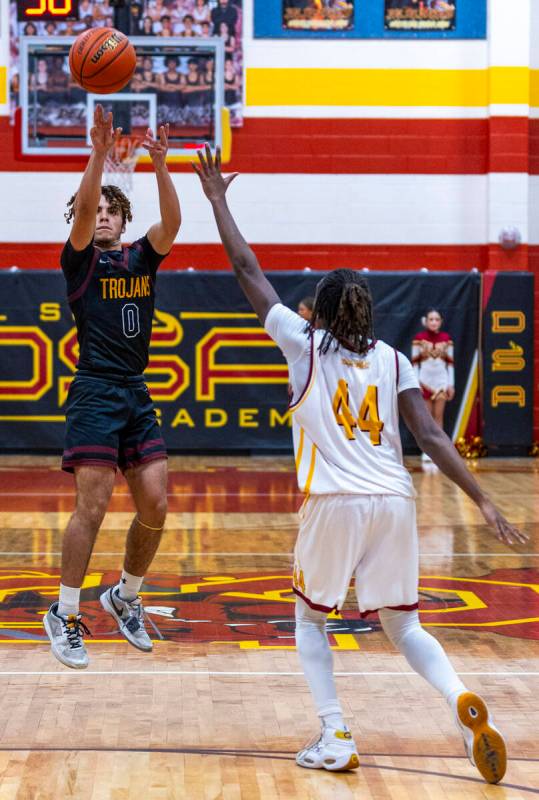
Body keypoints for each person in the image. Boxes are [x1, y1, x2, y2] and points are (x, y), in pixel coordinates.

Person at [191, 144, 527, 783]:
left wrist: (217, 201)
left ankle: (336, 732)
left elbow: (245, 267)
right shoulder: (394, 359)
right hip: (395, 502)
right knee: (404, 624)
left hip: (336, 501)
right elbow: (430, 435)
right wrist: (482, 499)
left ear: (318, 308)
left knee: (309, 618)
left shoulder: (303, 343)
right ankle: (459, 698)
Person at [43, 106, 181, 670]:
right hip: (96, 391)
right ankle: (65, 613)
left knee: (156, 503)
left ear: (122, 220)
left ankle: (124, 596)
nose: (98, 216)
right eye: (90, 210)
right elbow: (80, 219)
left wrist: (161, 164)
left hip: (135, 392)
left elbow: (171, 226)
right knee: (92, 508)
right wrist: (98, 153)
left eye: (107, 211)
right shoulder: (79, 264)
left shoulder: (140, 258)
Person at [412, 309, 454, 460]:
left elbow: (450, 364)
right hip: (424, 381)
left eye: (437, 319)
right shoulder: (419, 338)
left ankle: (439, 451)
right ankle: (427, 451)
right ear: (426, 321)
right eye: (431, 319)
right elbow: (414, 363)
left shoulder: (447, 339)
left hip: (441, 382)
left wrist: (451, 384)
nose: (434, 322)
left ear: (441, 322)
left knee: (438, 417)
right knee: (427, 418)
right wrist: (416, 383)